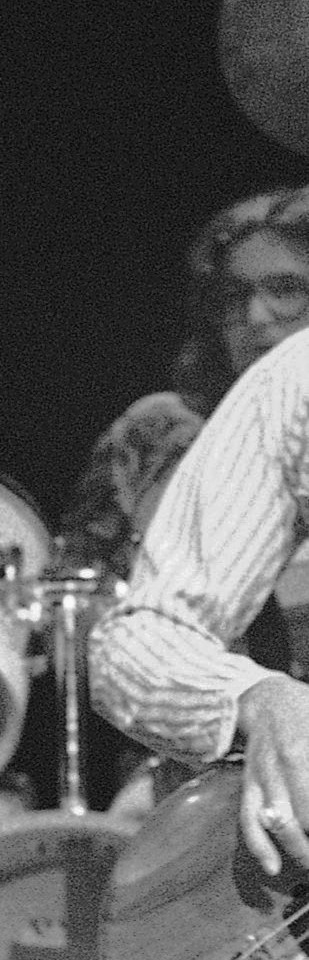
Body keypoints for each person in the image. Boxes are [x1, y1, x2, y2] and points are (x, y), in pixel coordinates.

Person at [63, 188, 309, 810]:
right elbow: (74, 585)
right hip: (201, 752)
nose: (256, 318)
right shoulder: (158, 429)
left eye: (284, 288)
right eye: (233, 298)